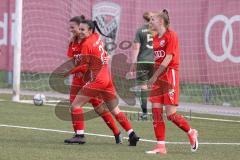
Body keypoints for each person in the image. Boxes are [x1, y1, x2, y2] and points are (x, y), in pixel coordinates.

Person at [65, 19, 140, 146]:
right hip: (106, 77)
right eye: (78, 29)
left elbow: (83, 66)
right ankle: (132, 134)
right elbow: (101, 54)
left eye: (82, 29)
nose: (79, 32)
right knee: (115, 110)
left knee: (75, 106)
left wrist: (67, 72)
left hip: (96, 79)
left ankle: (79, 135)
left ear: (90, 30)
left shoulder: (86, 44)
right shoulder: (96, 37)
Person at [146, 9, 199, 154]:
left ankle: (191, 132)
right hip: (158, 77)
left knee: (170, 115)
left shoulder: (172, 35)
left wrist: (154, 76)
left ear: (161, 22)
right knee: (156, 112)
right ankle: (161, 146)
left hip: (169, 75)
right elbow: (157, 60)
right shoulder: (155, 38)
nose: (150, 22)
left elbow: (168, 58)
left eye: (153, 20)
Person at [131, 12, 155, 120]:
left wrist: (134, 62)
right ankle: (158, 110)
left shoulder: (140, 30)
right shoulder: (157, 30)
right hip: (156, 61)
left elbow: (136, 48)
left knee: (143, 87)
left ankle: (144, 113)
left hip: (143, 61)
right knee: (156, 86)